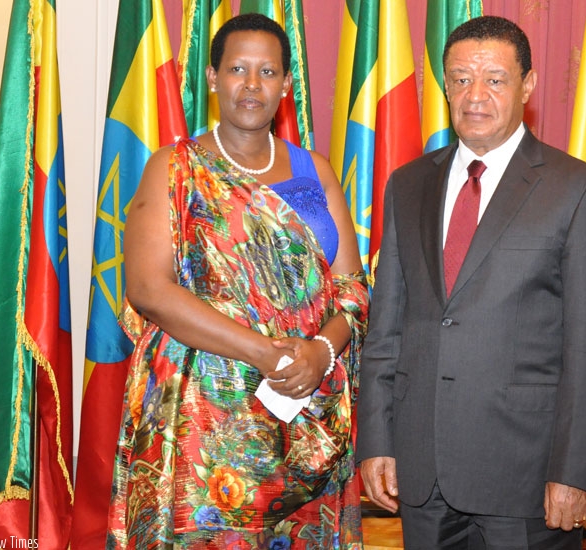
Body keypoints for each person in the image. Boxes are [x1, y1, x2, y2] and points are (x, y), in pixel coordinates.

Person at [357, 15, 586, 550]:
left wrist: (574, 472)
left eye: (495, 79)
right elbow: (386, 327)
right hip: (421, 472)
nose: (474, 95)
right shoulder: (407, 185)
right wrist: (377, 440)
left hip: (525, 477)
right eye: (460, 78)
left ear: (527, 84)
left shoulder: (580, 190)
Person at [106, 13, 368, 549]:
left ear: (287, 85)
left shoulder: (316, 171)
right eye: (237, 69)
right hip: (203, 416)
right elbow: (149, 290)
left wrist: (320, 351)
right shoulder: (174, 169)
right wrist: (267, 355)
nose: (252, 85)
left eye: (267, 71)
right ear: (212, 76)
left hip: (306, 412)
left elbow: (354, 291)